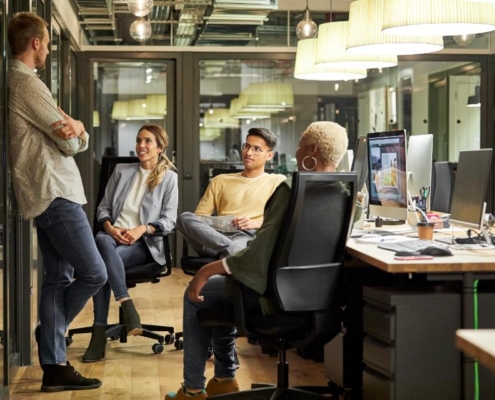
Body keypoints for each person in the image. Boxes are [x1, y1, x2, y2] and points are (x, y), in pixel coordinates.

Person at [166, 121, 364, 399]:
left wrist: (206, 271)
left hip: (272, 297)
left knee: (197, 293)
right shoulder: (345, 193)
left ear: (313, 150)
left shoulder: (290, 190)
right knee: (220, 287)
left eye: (300, 145)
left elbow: (258, 255)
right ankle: (223, 378)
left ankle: (194, 389)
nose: (296, 151)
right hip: (319, 298)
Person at [7, 12, 107, 392]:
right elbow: (69, 142)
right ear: (35, 43)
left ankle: (54, 366)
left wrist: (74, 130)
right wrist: (79, 129)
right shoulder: (28, 86)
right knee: (94, 273)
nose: (48, 49)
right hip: (55, 193)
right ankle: (51, 335)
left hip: (46, 194)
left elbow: (64, 136)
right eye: (47, 43)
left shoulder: (21, 84)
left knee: (57, 279)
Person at [82, 124, 178, 362]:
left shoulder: (169, 178)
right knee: (102, 240)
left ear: (160, 147)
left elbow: (169, 220)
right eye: (138, 140)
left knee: (100, 266)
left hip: (144, 245)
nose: (141, 146)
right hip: (112, 239)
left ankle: (98, 334)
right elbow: (103, 208)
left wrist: (142, 229)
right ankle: (126, 303)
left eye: (147, 141)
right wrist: (110, 227)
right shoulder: (121, 171)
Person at [177, 128, 286, 259]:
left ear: (269, 155)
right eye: (246, 146)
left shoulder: (277, 181)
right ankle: (234, 252)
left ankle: (231, 254)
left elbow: (284, 219)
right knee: (184, 218)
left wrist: (255, 223)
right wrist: (219, 223)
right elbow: (200, 217)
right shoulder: (220, 180)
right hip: (214, 238)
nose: (249, 152)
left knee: (243, 246)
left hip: (249, 237)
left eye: (256, 149)